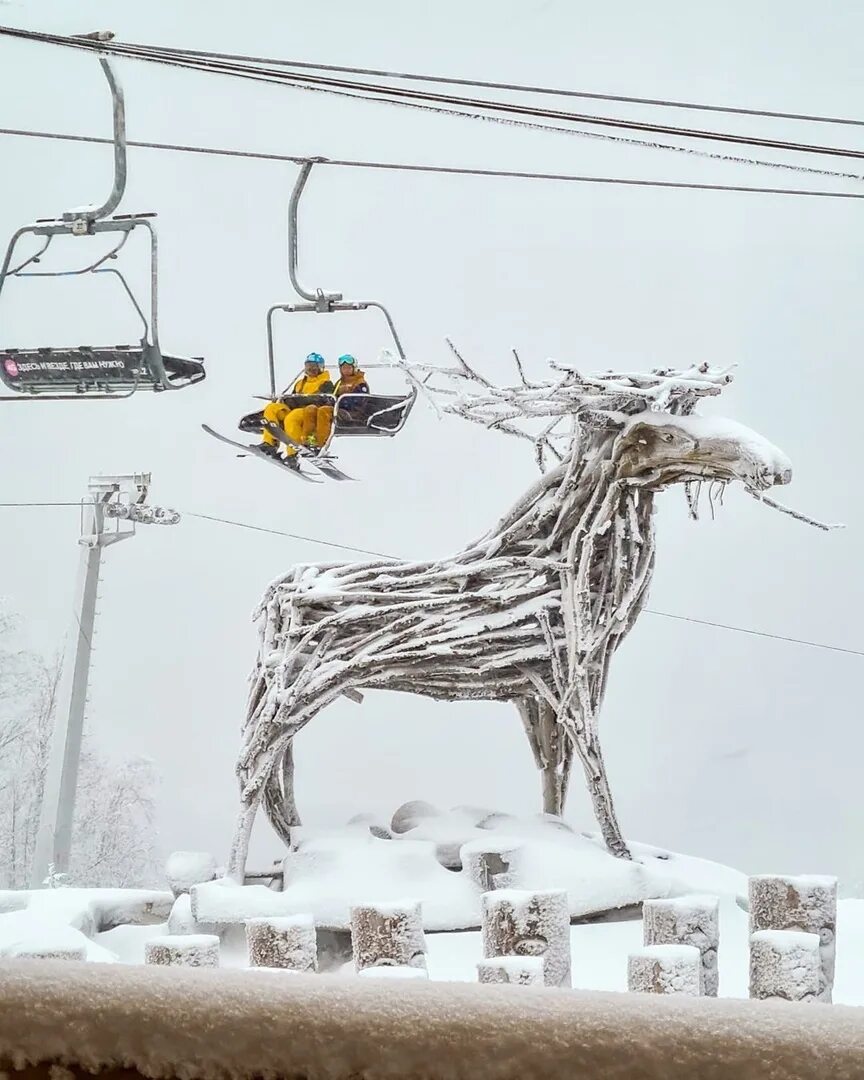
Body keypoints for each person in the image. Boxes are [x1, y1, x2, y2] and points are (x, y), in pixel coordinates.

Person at [258, 353, 334, 468]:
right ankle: (269, 443)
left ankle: (292, 455)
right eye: (308, 366)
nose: (311, 370)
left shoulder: (326, 383)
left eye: (314, 367)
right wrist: (289, 400)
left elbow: (322, 400)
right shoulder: (300, 383)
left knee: (291, 418)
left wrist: (301, 400)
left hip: (308, 411)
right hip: (295, 407)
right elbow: (292, 397)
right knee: (271, 408)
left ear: (320, 368)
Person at [313, 354, 370, 444]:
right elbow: (334, 395)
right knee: (314, 409)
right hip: (339, 409)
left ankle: (320, 442)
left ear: (354, 368)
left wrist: (340, 400)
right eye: (343, 368)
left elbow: (358, 401)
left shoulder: (360, 383)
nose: (346, 370)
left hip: (352, 413)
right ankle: (311, 439)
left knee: (324, 411)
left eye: (348, 368)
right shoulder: (340, 382)